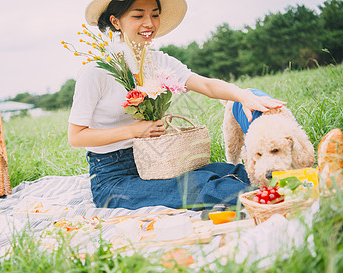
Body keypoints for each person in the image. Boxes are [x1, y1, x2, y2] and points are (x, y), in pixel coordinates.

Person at [68, 0, 287, 210]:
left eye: (155, 14)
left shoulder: (157, 61)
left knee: (231, 172)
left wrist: (242, 96)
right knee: (199, 186)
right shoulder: (96, 72)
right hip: (114, 178)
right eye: (138, 15)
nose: (150, 23)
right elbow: (76, 136)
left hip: (160, 161)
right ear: (116, 22)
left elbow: (205, 84)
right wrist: (133, 131)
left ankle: (294, 181)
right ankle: (281, 199)